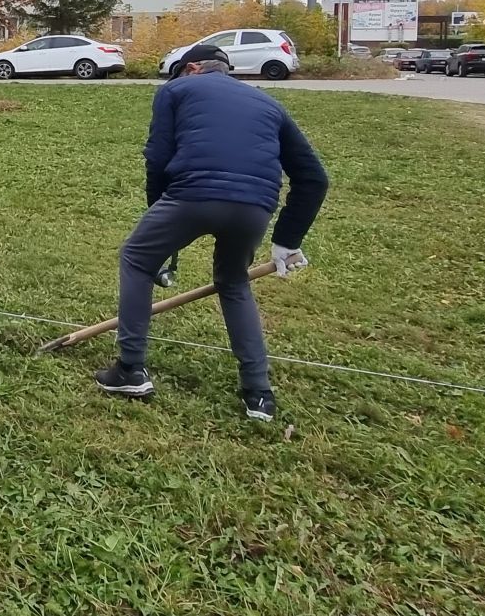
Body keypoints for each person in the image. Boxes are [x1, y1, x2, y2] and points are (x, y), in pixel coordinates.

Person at [94, 44, 329, 422]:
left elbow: (157, 157)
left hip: (192, 194)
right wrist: (287, 240)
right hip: (255, 208)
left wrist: (158, 217)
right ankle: (258, 394)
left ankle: (130, 370)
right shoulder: (268, 105)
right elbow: (315, 178)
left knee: (137, 258)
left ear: (191, 69)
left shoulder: (175, 90)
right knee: (233, 282)